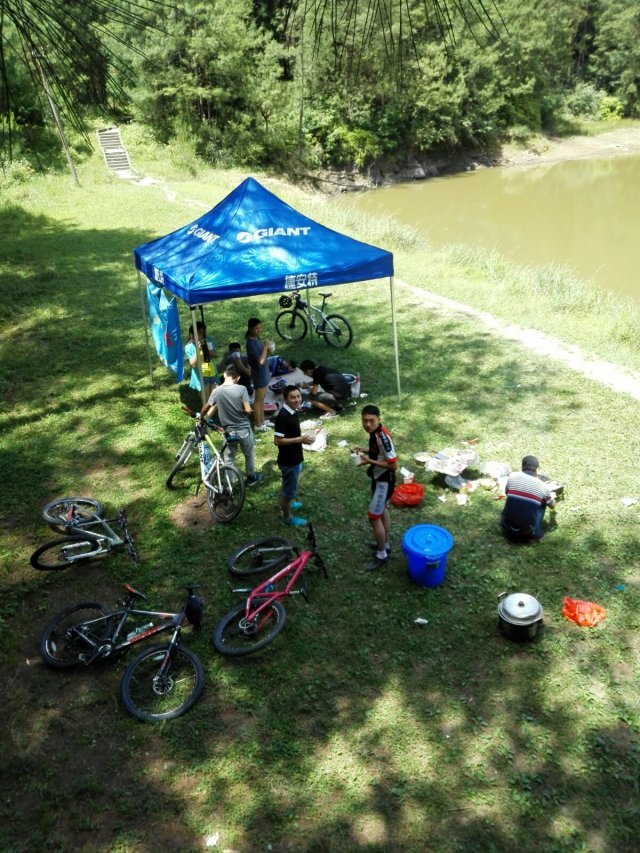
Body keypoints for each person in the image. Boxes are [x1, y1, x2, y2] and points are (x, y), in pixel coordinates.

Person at [352, 404, 397, 572]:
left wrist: (368, 461)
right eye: (364, 421)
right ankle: (385, 544)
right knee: (382, 510)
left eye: (371, 421)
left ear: (379, 419)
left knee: (373, 517)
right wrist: (363, 450)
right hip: (378, 479)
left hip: (384, 481)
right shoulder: (375, 433)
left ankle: (381, 554)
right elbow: (377, 451)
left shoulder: (383, 438)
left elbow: (393, 465)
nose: (368, 424)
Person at [201, 366, 262, 486]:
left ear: (225, 375)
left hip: (228, 431)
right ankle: (251, 478)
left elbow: (206, 408)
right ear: (237, 378)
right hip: (244, 430)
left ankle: (230, 483)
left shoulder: (216, 391)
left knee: (229, 458)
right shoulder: (242, 389)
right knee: (248, 454)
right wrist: (250, 412)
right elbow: (247, 409)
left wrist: (201, 417)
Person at [274, 385, 315, 527]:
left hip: (295, 457)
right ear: (285, 399)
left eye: (298, 396)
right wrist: (300, 439)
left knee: (290, 484)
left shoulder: (293, 411)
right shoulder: (283, 416)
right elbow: (277, 441)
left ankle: (290, 503)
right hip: (288, 461)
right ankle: (287, 517)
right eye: (292, 397)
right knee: (288, 492)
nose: (297, 400)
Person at [500, 455, 557, 543]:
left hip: (505, 527)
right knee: (543, 502)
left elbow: (507, 492)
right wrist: (551, 496)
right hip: (526, 532)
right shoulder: (542, 486)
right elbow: (553, 505)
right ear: (537, 469)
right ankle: (535, 533)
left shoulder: (512, 476)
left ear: (522, 467)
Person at [245, 318, 274, 431]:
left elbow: (263, 354)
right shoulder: (250, 343)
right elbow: (260, 361)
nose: (259, 330)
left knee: (262, 399)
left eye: (260, 327)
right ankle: (258, 425)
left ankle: (262, 420)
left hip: (264, 372)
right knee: (258, 400)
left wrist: (268, 349)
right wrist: (266, 346)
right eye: (256, 328)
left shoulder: (257, 339)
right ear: (250, 329)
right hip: (259, 374)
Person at [185, 321, 217, 398]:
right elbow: (193, 364)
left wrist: (207, 347)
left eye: (203, 333)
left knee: (215, 397)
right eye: (200, 333)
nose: (202, 335)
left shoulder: (208, 340)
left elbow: (215, 355)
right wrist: (198, 350)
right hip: (200, 376)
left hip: (211, 372)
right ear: (192, 334)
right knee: (206, 398)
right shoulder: (188, 347)